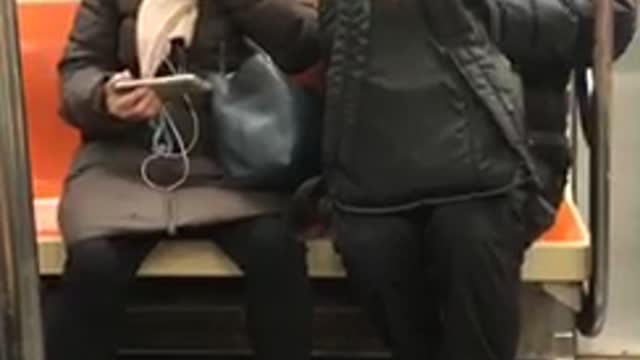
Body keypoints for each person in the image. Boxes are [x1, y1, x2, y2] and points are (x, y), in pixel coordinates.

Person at [314, 0, 637, 359]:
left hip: (516, 157)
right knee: (371, 243)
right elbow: (324, 38)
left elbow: (613, 23)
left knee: (472, 238)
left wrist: (484, 15)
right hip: (385, 153)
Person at [45, 1, 319, 360]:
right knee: (95, 262)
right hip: (124, 161)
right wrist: (104, 97)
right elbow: (77, 72)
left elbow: (304, 45)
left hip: (229, 158)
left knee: (275, 248)